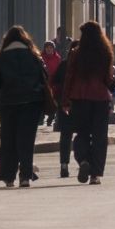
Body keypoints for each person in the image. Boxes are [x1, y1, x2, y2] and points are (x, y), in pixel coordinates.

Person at [0, 26, 47, 187]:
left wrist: (4, 88)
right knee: (26, 140)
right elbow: (44, 77)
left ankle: (8, 176)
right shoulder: (33, 56)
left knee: (8, 139)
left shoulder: (1, 58)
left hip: (8, 103)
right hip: (31, 103)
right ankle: (25, 175)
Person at [64, 22, 115, 185]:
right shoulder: (105, 53)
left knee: (82, 133)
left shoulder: (76, 53)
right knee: (100, 136)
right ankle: (95, 174)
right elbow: (108, 79)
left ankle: (84, 160)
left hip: (80, 98)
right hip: (100, 99)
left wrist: (65, 100)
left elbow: (69, 77)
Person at [50, 39, 75, 178]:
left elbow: (53, 81)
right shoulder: (86, 65)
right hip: (82, 105)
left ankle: (64, 164)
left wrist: (58, 97)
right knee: (84, 135)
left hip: (65, 104)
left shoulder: (64, 64)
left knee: (66, 135)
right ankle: (84, 161)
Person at [41, 41, 61, 127]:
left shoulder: (57, 58)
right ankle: (41, 118)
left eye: (50, 48)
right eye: (47, 48)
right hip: (44, 82)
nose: (49, 49)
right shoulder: (41, 57)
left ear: (53, 49)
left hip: (53, 83)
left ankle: (51, 117)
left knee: (53, 101)